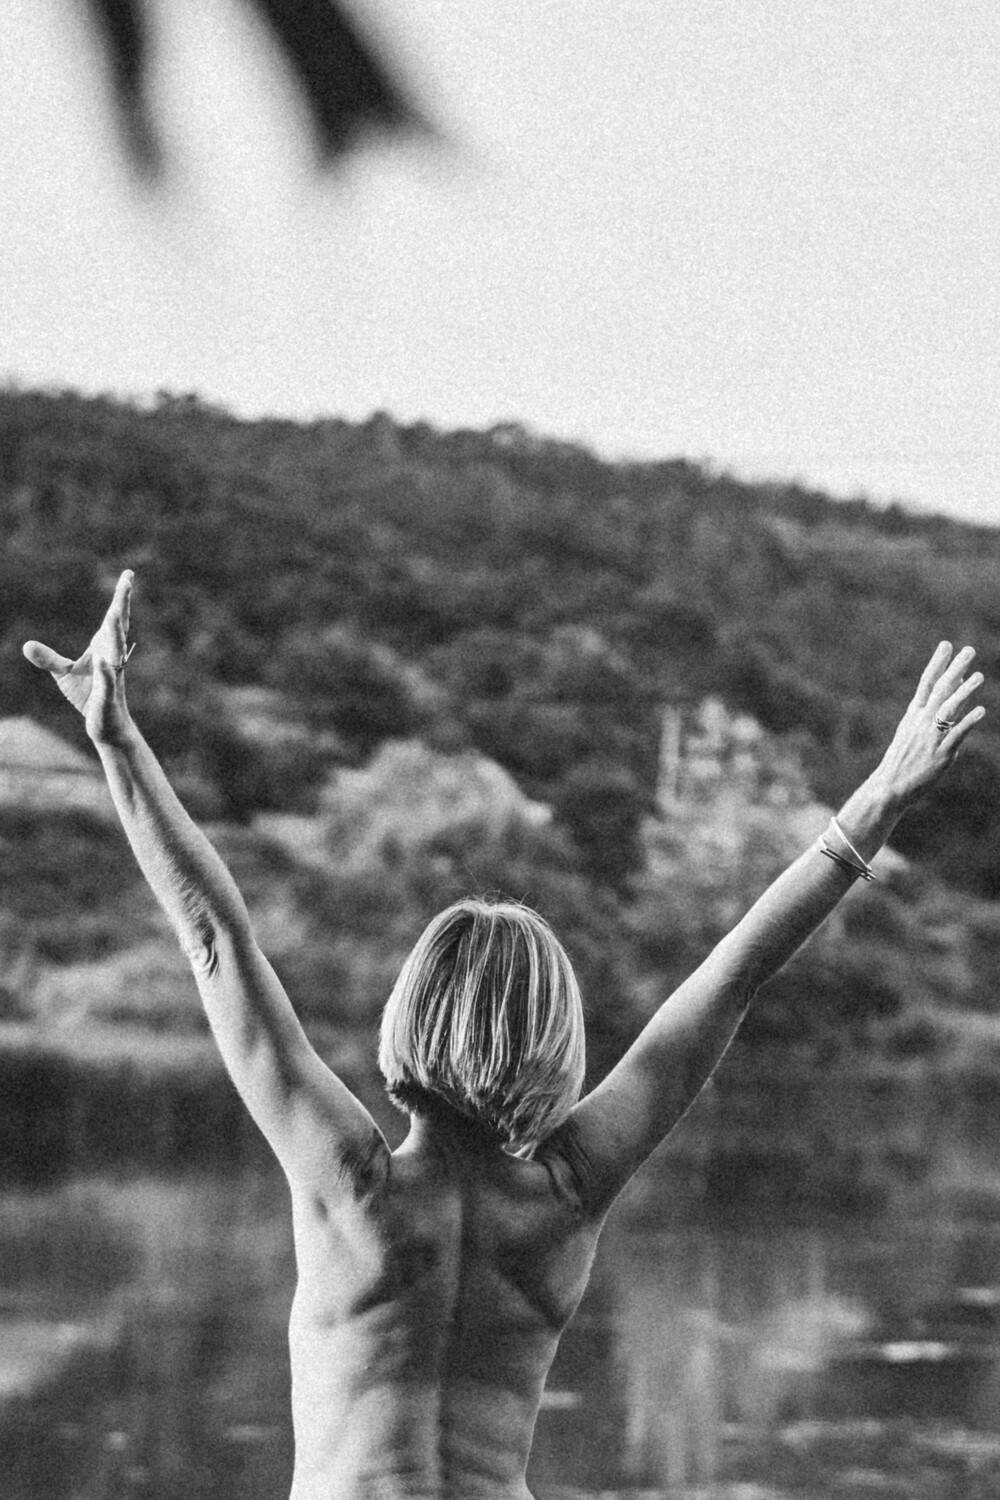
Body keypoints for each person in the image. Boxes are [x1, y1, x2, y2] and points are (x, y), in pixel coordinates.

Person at [24, 570, 987, 1500]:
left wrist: (118, 742)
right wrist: (878, 799)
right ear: (552, 1038)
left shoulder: (352, 1184)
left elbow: (213, 938)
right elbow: (735, 974)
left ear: (411, 1015)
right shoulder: (568, 1194)